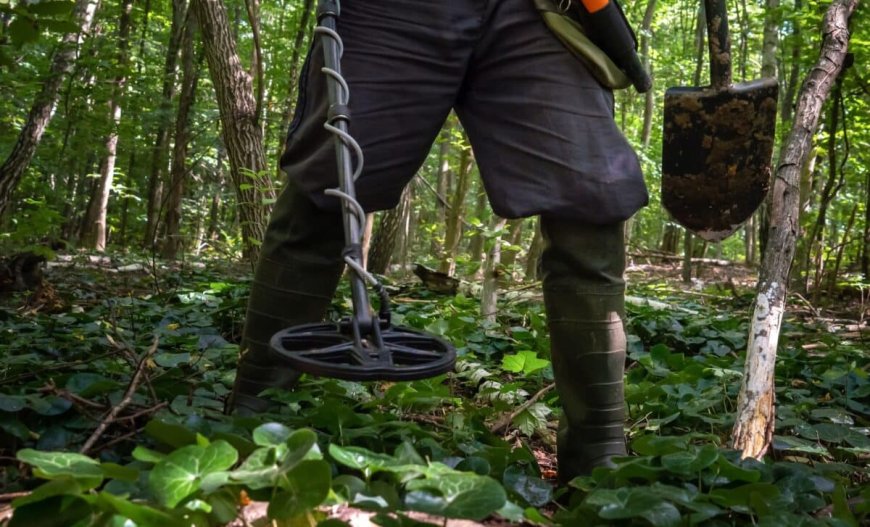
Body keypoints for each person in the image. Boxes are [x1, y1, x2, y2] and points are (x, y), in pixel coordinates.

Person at [228, 0, 648, 483]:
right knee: (328, 189)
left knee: (592, 200)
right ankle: (252, 418)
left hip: (544, 11)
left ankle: (600, 457)